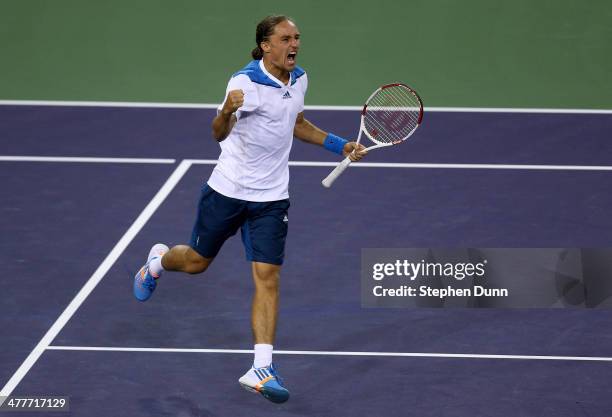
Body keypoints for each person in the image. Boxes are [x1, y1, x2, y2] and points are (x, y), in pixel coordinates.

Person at [133, 15, 367, 404]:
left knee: (268, 276)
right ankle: (157, 262)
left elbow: (297, 123)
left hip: (272, 199)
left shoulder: (300, 79)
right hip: (227, 191)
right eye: (286, 38)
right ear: (265, 46)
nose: (294, 45)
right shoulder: (244, 83)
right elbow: (218, 133)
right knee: (195, 263)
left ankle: (261, 367)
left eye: (297, 38)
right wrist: (225, 111)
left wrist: (339, 144)